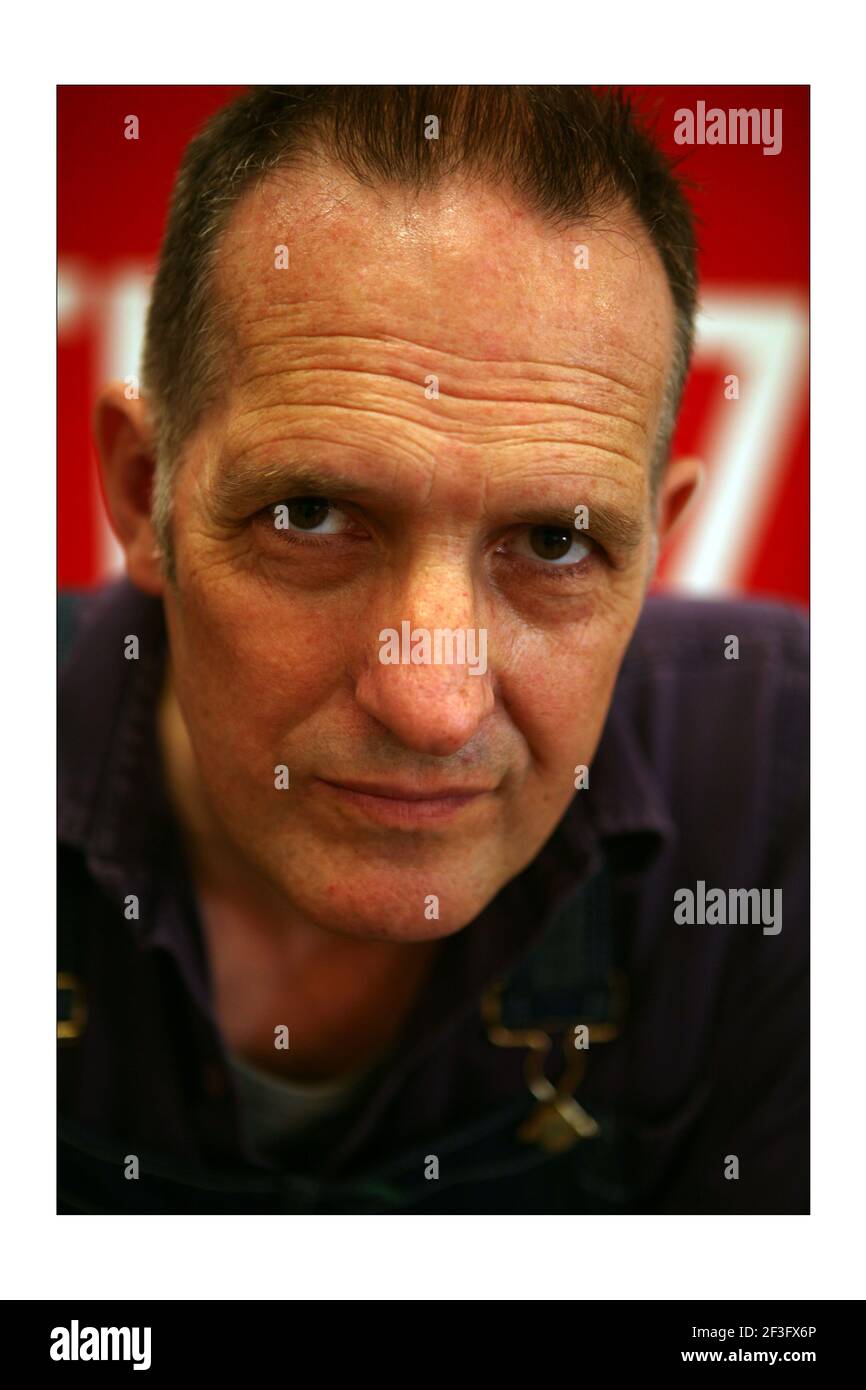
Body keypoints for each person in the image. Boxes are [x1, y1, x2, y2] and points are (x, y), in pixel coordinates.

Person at [58, 85, 808, 1214]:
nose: (431, 703)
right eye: (311, 515)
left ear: (657, 547)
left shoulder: (789, 798)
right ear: (141, 493)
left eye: (552, 543)